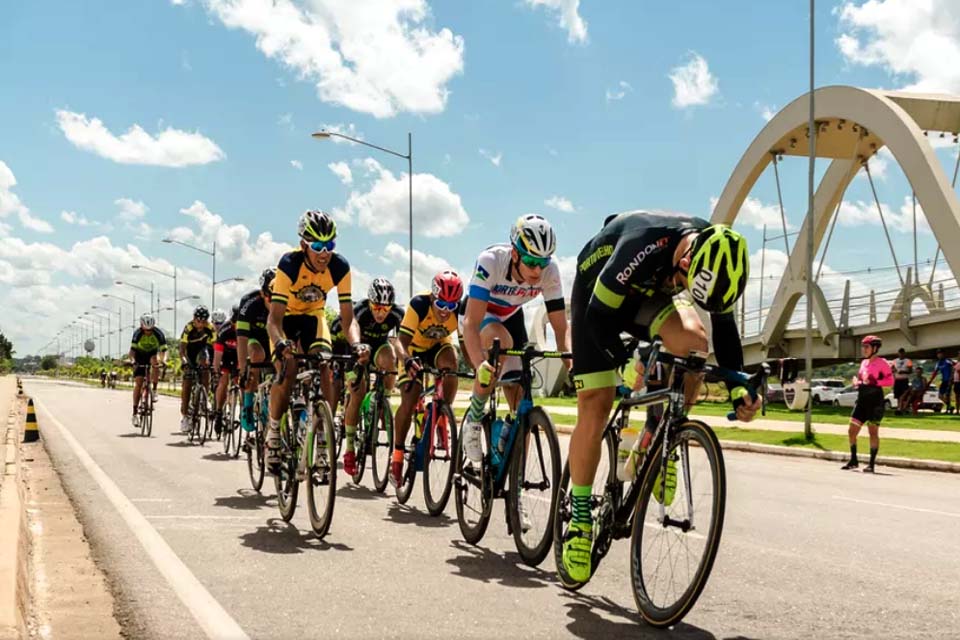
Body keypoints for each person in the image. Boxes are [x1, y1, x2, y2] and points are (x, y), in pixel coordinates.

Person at [559, 211, 759, 586]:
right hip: (598, 300)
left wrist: (738, 387)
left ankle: (661, 437)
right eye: (686, 281)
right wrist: (622, 363)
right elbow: (599, 317)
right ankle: (581, 521)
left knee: (696, 343)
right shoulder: (643, 244)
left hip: (650, 295)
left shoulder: (716, 259)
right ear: (686, 261)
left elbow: (725, 331)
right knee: (597, 403)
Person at [460, 214, 571, 466]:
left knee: (521, 389)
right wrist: (480, 365)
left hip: (510, 314)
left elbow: (561, 327)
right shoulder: (491, 261)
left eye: (543, 262)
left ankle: (514, 466)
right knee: (499, 345)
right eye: (531, 261)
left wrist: (571, 364)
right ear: (514, 254)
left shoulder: (549, 272)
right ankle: (474, 421)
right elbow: (471, 323)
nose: (537, 270)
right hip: (479, 313)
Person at [266, 210, 368, 472]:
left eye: (330, 245)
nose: (325, 253)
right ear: (303, 245)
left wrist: (356, 343)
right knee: (287, 370)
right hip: (286, 319)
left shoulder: (340, 267)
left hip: (314, 318)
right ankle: (274, 432)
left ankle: (323, 434)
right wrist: (280, 343)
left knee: (326, 364)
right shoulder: (289, 264)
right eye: (318, 246)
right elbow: (273, 321)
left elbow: (348, 319)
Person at [392, 270, 463, 487]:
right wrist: (405, 360)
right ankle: (397, 455)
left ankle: (442, 414)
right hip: (412, 348)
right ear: (433, 297)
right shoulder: (419, 304)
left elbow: (466, 342)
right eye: (441, 305)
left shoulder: (460, 310)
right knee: (410, 397)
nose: (445, 311)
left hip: (437, 347)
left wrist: (480, 366)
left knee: (452, 363)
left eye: (451, 307)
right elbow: (400, 342)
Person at [330, 278, 405, 476]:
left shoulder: (397, 314)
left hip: (379, 346)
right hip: (356, 349)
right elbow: (348, 330)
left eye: (386, 308)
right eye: (377, 307)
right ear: (370, 303)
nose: (381, 313)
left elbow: (398, 340)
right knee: (358, 392)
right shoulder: (360, 310)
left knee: (391, 359)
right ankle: (350, 450)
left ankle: (383, 401)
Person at [841, 335, 894, 473]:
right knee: (851, 431)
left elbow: (890, 381)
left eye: (867, 347)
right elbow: (862, 380)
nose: (864, 349)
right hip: (862, 402)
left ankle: (871, 464)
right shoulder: (864, 363)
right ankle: (853, 460)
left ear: (875, 348)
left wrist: (876, 382)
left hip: (875, 403)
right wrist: (857, 383)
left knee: (873, 433)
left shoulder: (882, 363)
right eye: (863, 346)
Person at [237, 268, 275, 447]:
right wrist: (243, 370)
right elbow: (242, 339)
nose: (273, 302)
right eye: (269, 297)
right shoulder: (249, 303)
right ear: (262, 293)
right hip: (253, 338)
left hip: (274, 338)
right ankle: (247, 405)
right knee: (257, 356)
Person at [179, 305, 217, 434]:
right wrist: (184, 362)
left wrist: (216, 363)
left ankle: (205, 399)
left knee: (205, 366)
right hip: (189, 352)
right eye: (198, 320)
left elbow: (216, 347)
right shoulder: (188, 328)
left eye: (203, 321)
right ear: (194, 318)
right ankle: (184, 416)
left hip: (202, 350)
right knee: (187, 383)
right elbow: (182, 349)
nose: (200, 324)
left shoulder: (210, 328)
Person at [127, 313, 167, 427]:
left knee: (155, 362)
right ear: (141, 327)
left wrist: (163, 360)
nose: (148, 333)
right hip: (139, 355)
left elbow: (164, 350)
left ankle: (154, 390)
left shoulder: (158, 333)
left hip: (152, 354)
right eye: (146, 330)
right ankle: (134, 413)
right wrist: (132, 361)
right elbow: (132, 352)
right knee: (139, 383)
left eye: (150, 330)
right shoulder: (137, 333)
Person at [212, 307, 239, 437]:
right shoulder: (224, 330)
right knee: (223, 380)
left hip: (240, 356)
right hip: (225, 356)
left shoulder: (247, 328)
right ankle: (218, 412)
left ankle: (244, 409)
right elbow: (217, 356)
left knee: (240, 380)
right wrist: (216, 370)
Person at [892, 348, 913, 415]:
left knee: (904, 395)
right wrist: (894, 371)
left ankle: (904, 408)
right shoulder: (895, 361)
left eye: (902, 353)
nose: (901, 354)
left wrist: (903, 371)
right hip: (897, 379)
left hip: (904, 379)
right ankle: (899, 408)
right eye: (900, 353)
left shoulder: (908, 361)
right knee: (898, 395)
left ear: (904, 353)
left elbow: (910, 371)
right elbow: (892, 369)